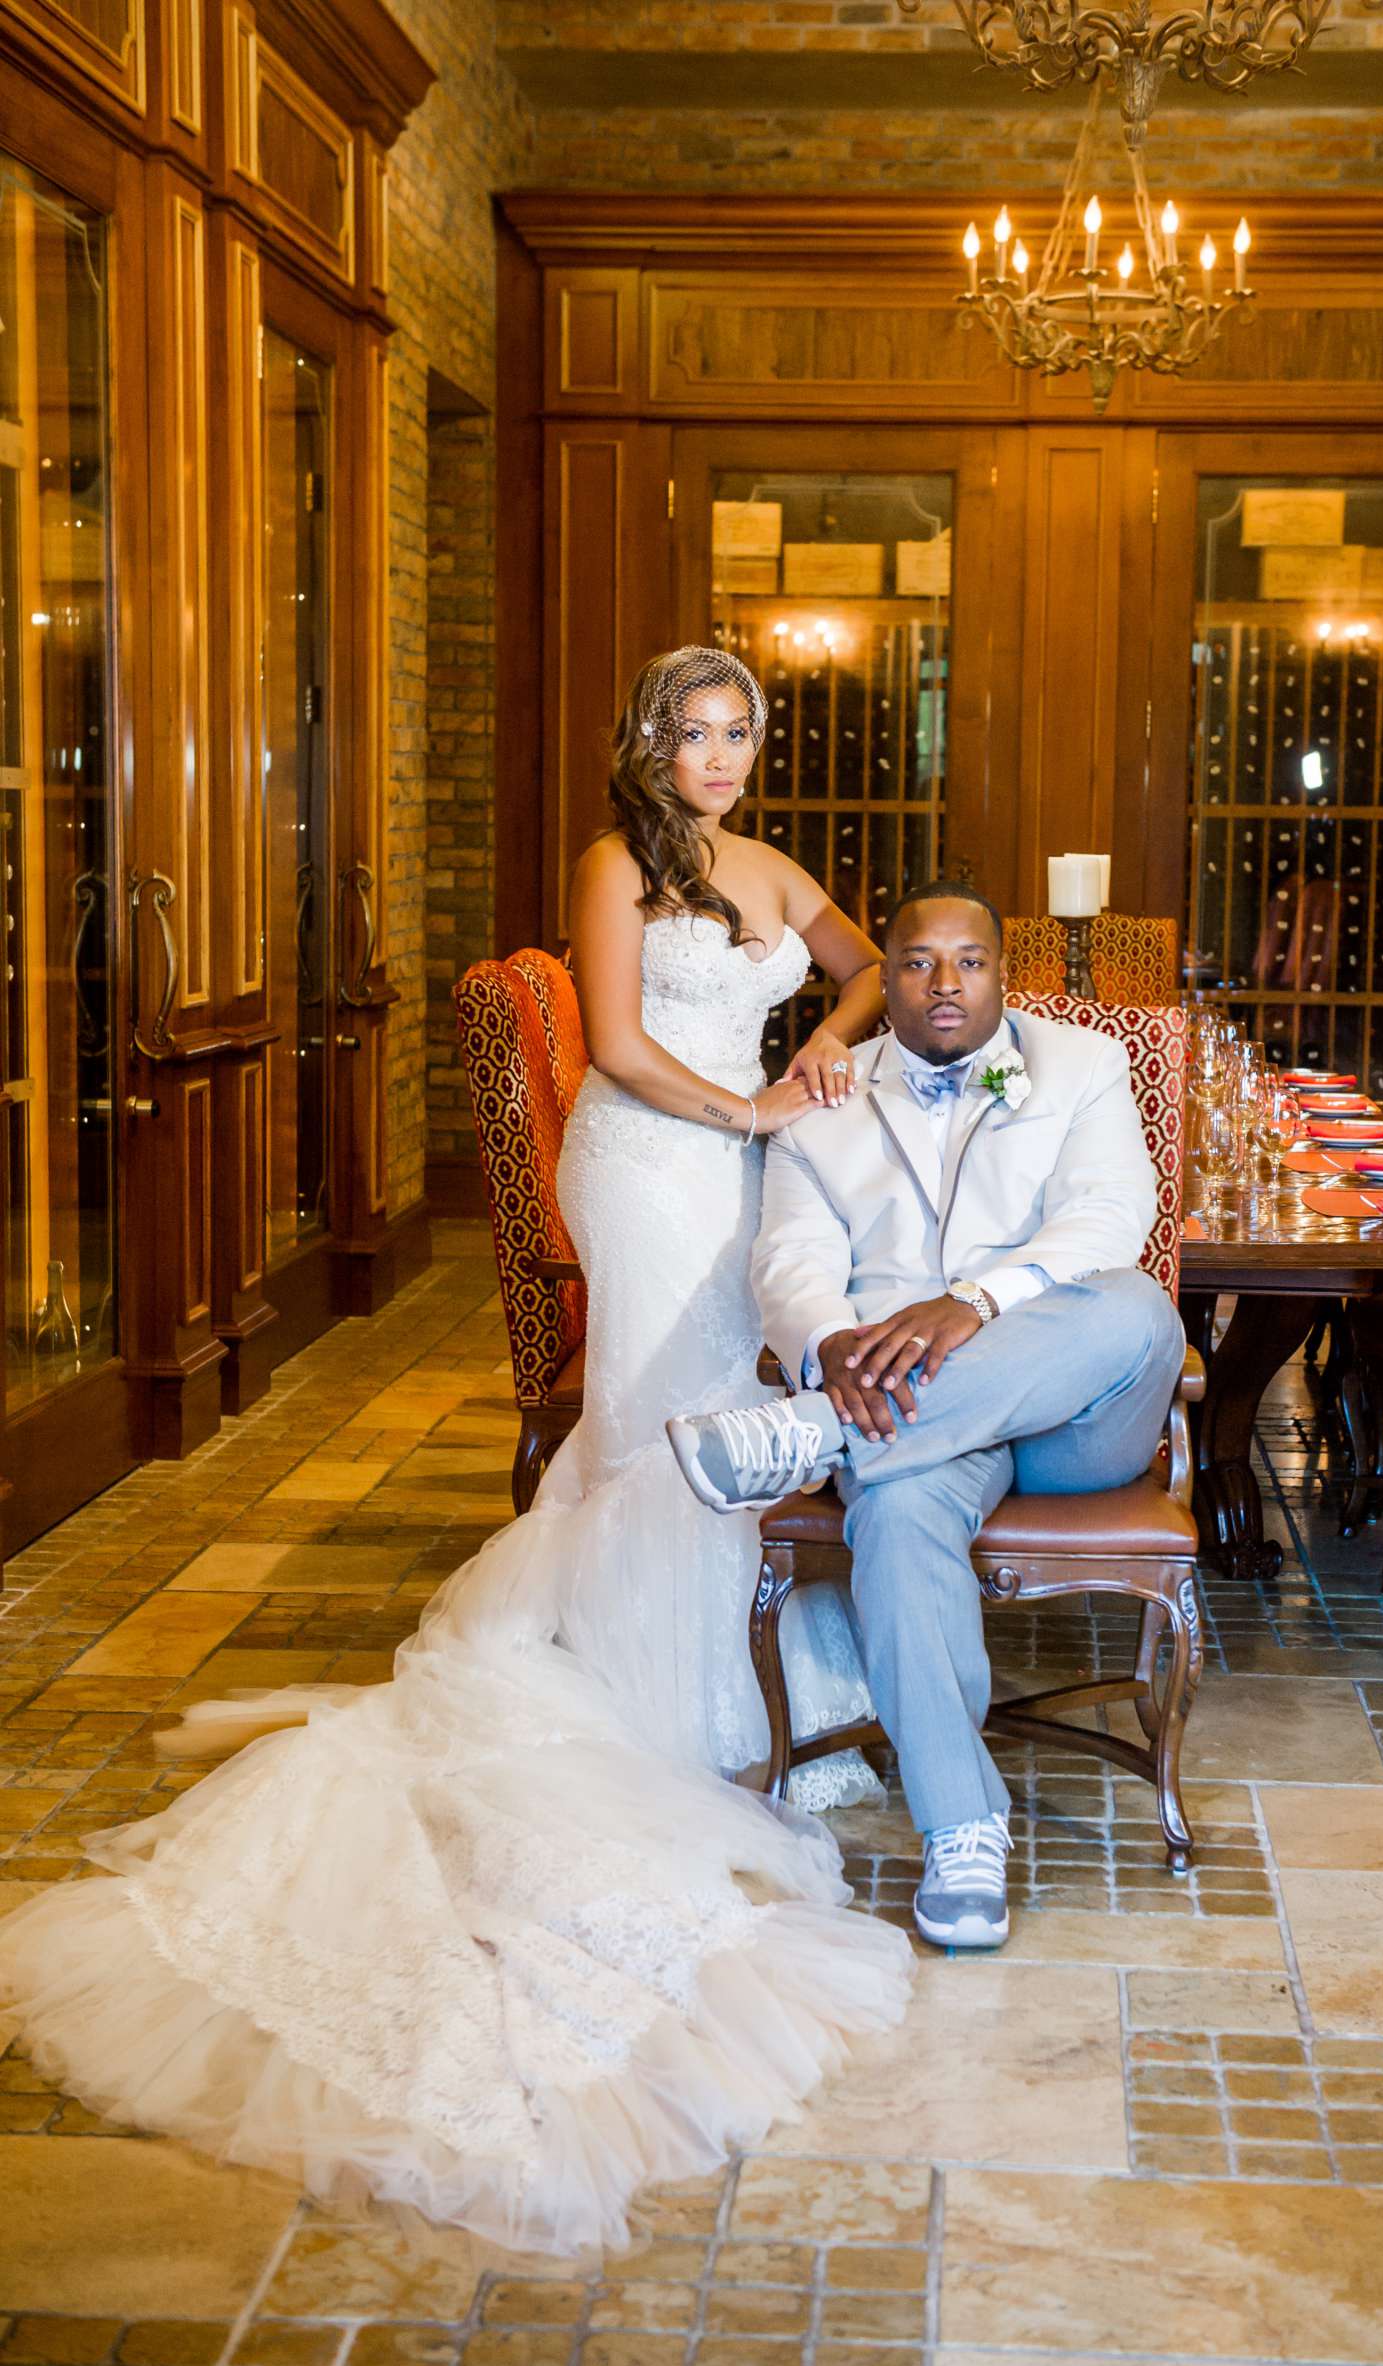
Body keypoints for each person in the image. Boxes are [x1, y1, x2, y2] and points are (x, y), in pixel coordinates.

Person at [0, 648, 911, 2257]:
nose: (716, 754)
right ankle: (658, 1696)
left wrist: (821, 1048)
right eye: (691, 731)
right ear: (650, 741)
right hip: (647, 1169)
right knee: (654, 1418)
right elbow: (619, 1050)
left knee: (725, 1413)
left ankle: (737, 1663)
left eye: (738, 732)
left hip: (743, 1164)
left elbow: (865, 965)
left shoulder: (771, 866)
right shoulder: (615, 862)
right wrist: (756, 1112)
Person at [668, 880, 1187, 1954]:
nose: (944, 984)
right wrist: (828, 1345)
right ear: (881, 977)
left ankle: (806, 1437)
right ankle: (962, 1831)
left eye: (969, 961)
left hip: (1068, 1422)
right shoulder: (821, 1096)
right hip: (898, 1409)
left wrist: (975, 1305)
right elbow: (789, 1259)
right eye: (916, 962)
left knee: (1137, 1308)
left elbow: (1109, 1217)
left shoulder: (1082, 1066)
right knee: (897, 1514)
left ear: (1003, 973)